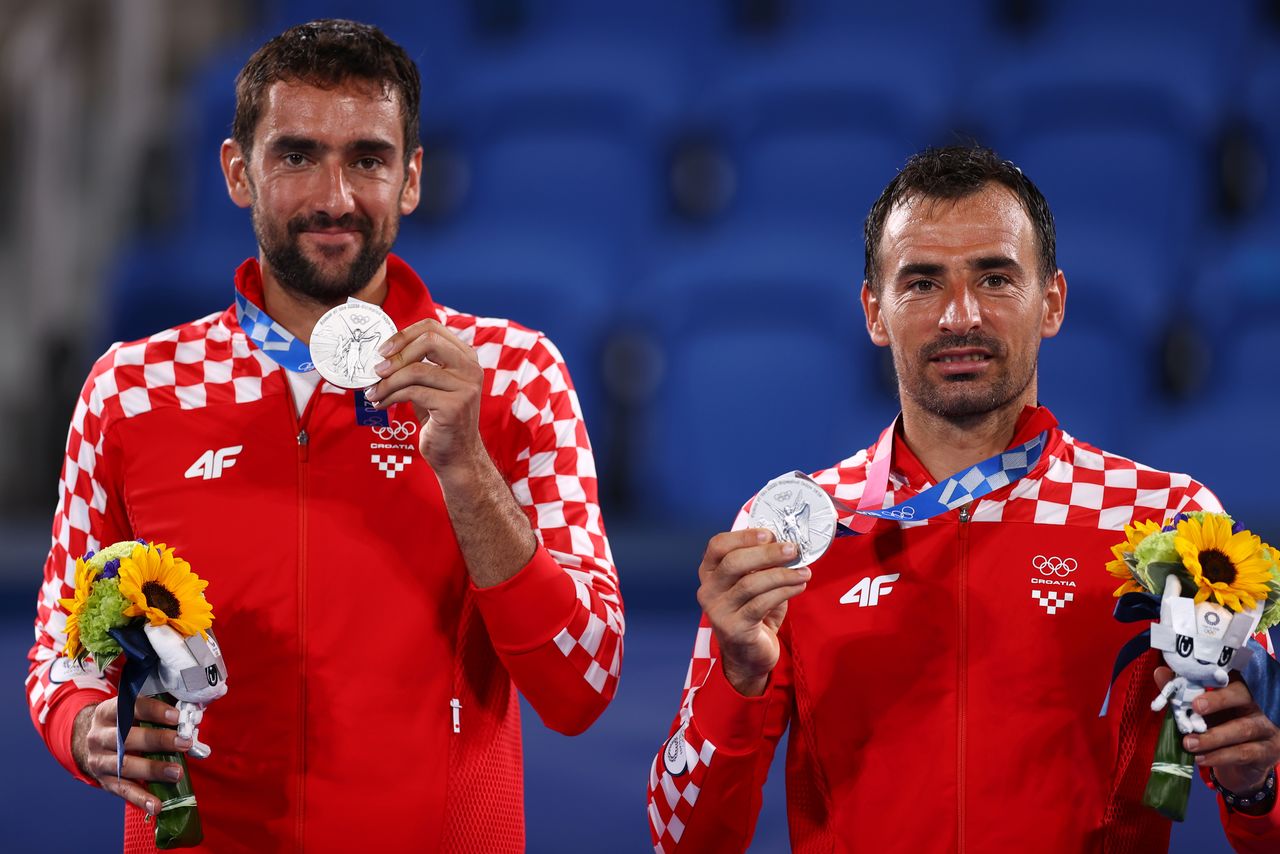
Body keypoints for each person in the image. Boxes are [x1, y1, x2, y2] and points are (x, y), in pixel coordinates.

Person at [26, 19, 623, 852]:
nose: (335, 197)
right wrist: (86, 727)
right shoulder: (130, 388)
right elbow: (62, 653)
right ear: (239, 172)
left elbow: (582, 683)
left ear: (412, 179)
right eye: (297, 155)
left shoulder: (515, 375)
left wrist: (466, 467)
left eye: (369, 159)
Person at [646, 146, 1280, 852]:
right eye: (922, 283)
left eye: (996, 278)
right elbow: (684, 838)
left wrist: (1257, 782)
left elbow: (1264, 795)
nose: (960, 315)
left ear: (1053, 303)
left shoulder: (1168, 522)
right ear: (874, 312)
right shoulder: (794, 533)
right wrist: (737, 682)